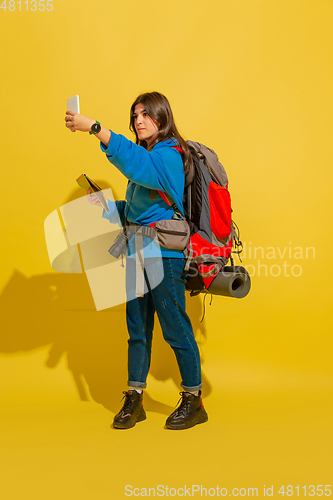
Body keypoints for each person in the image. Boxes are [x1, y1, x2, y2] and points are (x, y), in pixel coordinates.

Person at [65, 91, 208, 430]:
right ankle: (135, 396)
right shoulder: (148, 157)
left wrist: (95, 128)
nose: (139, 120)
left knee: (175, 326)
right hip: (136, 249)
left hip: (163, 254)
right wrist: (106, 208)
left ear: (162, 118)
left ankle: (193, 398)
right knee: (137, 330)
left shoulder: (170, 154)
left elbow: (138, 166)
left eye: (146, 114)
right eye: (135, 116)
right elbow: (136, 213)